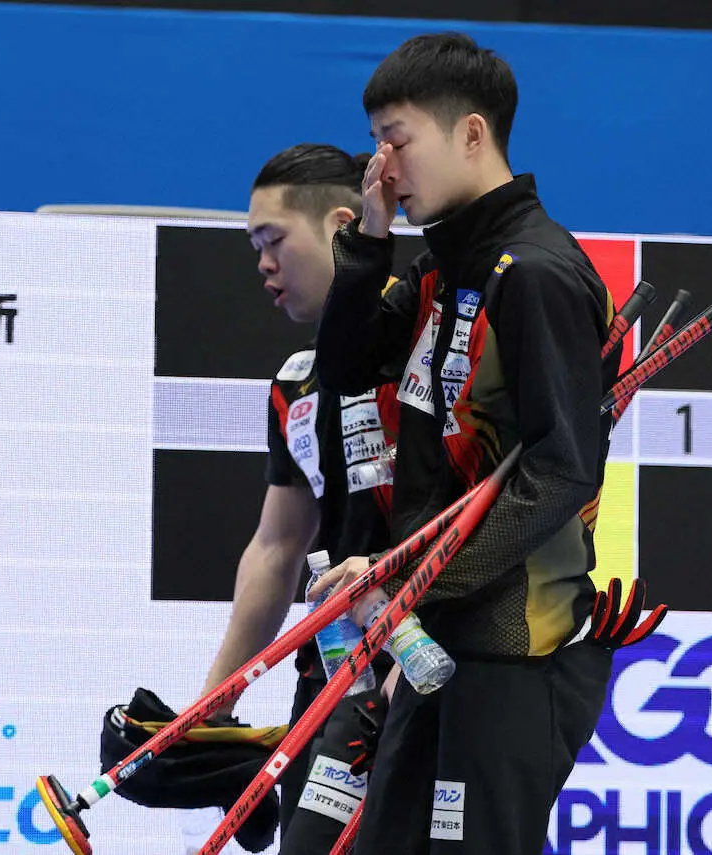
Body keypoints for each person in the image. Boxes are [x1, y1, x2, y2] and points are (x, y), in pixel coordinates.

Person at [307, 33, 658, 855]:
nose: (383, 166)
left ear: (470, 133)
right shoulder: (444, 267)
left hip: (513, 652)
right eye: (375, 144)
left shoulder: (533, 273)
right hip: (432, 638)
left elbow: (562, 470)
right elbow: (346, 368)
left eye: (397, 141)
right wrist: (369, 244)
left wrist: (407, 576)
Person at [198, 143, 400, 852]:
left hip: (431, 664)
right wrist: (213, 704)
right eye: (254, 246)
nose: (262, 264)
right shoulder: (296, 384)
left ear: (343, 226)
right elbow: (277, 546)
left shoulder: (432, 353)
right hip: (333, 676)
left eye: (273, 240)